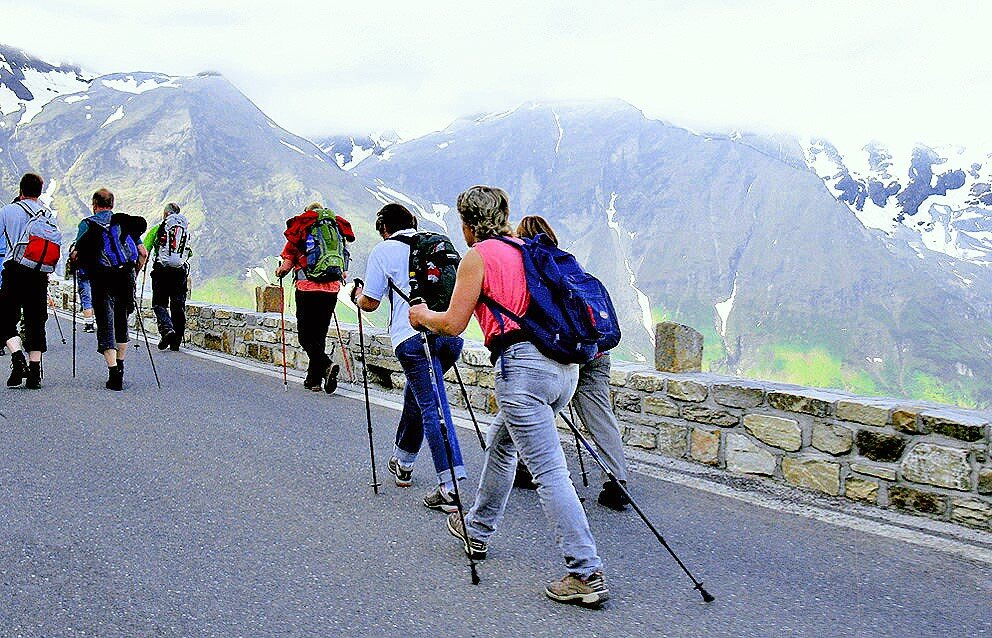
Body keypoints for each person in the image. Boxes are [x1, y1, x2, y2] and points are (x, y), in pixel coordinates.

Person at [409, 186, 608, 607]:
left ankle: (584, 571)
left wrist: (422, 314)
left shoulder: (478, 256)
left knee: (550, 472)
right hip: (565, 370)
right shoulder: (530, 249)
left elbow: (454, 324)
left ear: (466, 224)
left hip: (522, 371)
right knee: (502, 446)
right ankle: (477, 530)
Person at [351, 203, 467, 512]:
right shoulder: (435, 245)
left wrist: (355, 296)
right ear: (413, 222)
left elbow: (371, 303)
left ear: (384, 228)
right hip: (450, 335)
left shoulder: (384, 250)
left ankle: (449, 485)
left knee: (432, 407)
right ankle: (403, 461)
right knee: (417, 395)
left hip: (414, 338)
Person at [515, 215, 631, 510]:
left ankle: (529, 468)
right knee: (600, 416)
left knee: (537, 408)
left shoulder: (534, 269)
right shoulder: (570, 265)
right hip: (597, 351)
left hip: (564, 353)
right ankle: (617, 480)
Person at [69, 188, 145, 391]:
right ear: (112, 204)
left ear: (94, 204)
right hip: (125, 277)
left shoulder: (87, 224)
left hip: (102, 279)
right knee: (121, 322)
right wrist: (133, 274)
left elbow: (77, 254)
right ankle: (120, 365)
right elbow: (142, 252)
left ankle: (113, 373)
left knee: (105, 323)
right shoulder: (124, 222)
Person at [274, 202, 354, 391]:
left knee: (305, 336)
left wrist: (279, 272)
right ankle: (314, 381)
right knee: (319, 335)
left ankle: (326, 365)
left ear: (307, 214)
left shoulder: (302, 227)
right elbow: (343, 270)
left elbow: (286, 265)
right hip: (331, 290)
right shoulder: (335, 230)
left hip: (307, 289)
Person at [0, 174, 57, 389]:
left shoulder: (7, 211)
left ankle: (17, 358)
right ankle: (35, 373)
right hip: (39, 273)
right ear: (40, 191)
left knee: (5, 318)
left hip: (14, 270)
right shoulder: (48, 213)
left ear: (21, 190)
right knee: (36, 320)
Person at [143, 203, 192, 351]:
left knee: (159, 303)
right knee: (178, 305)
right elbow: (189, 253)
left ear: (165, 215)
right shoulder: (183, 231)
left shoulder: (158, 229)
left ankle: (167, 330)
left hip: (161, 271)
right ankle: (176, 342)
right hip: (180, 272)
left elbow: (145, 250)